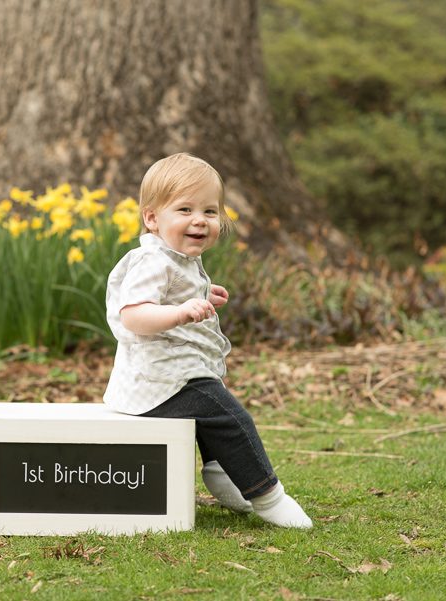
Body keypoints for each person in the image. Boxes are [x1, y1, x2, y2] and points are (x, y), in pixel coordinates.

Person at [103, 153, 312, 529]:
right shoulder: (152, 261)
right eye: (184, 209)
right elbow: (133, 315)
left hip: (175, 374)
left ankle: (222, 473)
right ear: (152, 219)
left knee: (212, 415)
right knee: (230, 417)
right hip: (161, 382)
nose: (199, 220)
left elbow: (169, 293)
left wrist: (200, 294)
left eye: (210, 211)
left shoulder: (174, 257)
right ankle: (268, 496)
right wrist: (181, 312)